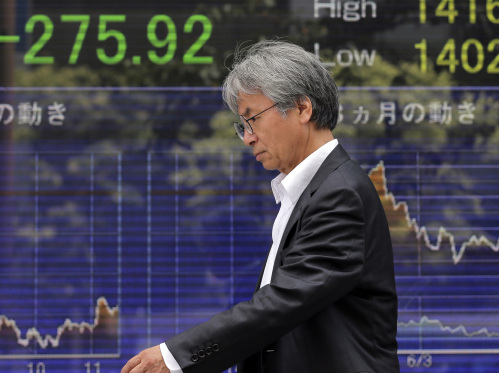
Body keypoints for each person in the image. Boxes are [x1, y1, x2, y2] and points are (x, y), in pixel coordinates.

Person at [121, 40, 399, 373]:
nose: (248, 137)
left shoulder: (339, 194)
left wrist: (175, 357)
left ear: (302, 108)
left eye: (252, 119)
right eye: (242, 126)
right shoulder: (307, 191)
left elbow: (283, 303)